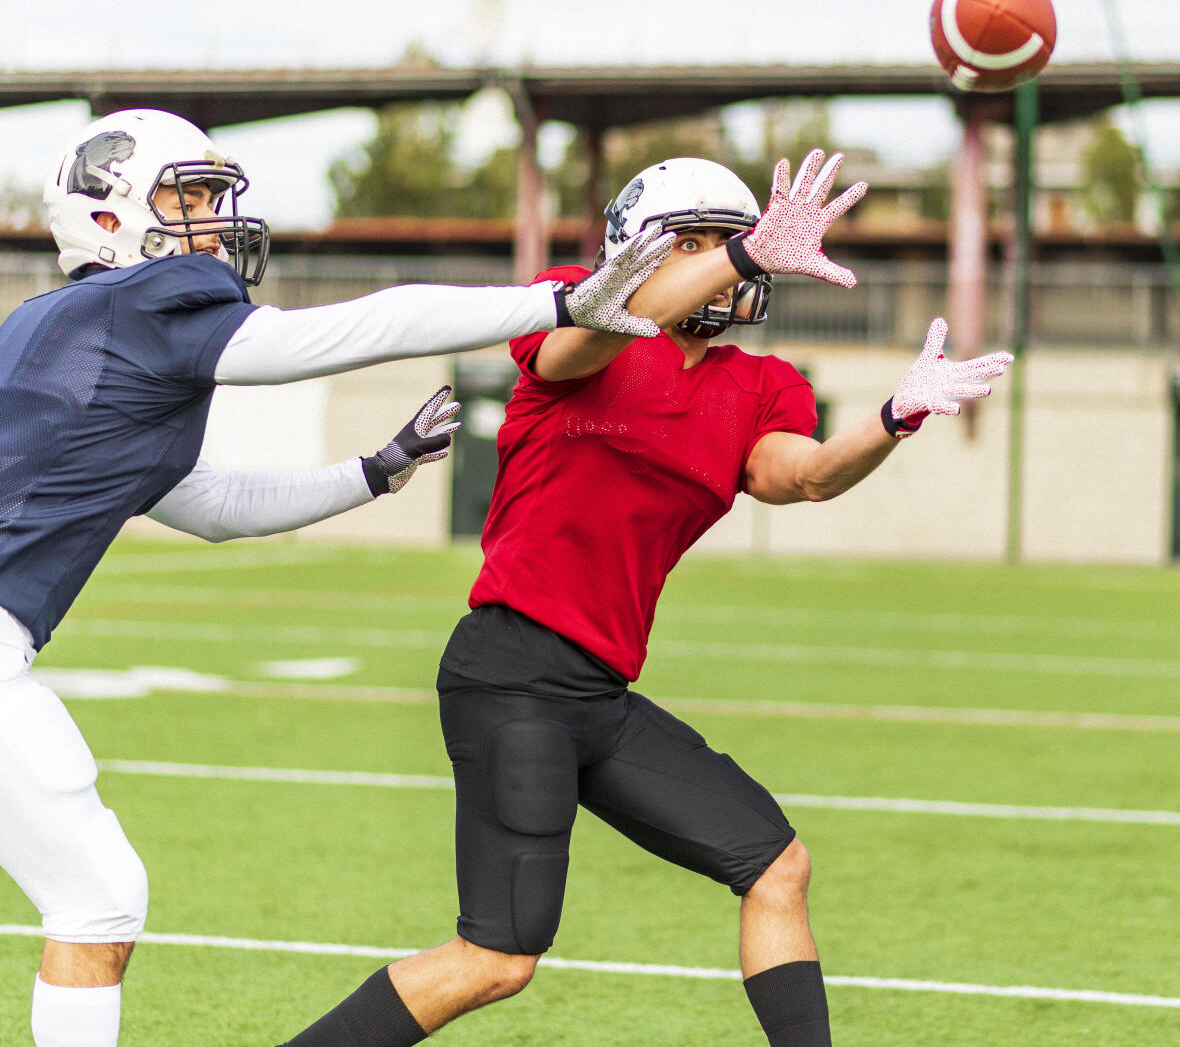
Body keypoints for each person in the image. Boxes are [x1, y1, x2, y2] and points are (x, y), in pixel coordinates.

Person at [277, 151, 1015, 1047]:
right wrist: (741, 257)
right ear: (639, 249)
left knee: (776, 866)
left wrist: (892, 419)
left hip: (598, 694)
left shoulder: (758, 385)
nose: (724, 260)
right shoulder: (575, 311)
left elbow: (805, 477)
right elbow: (580, 336)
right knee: (497, 958)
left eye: (731, 243)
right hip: (512, 674)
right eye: (694, 243)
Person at [0, 106, 676, 1047]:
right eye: (186, 196)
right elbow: (354, 330)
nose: (210, 219)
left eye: (208, 195)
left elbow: (207, 504)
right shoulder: (138, 309)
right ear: (107, 218)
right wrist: (554, 304)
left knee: (93, 894)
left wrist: (372, 471)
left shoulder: (56, 325)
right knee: (98, 898)